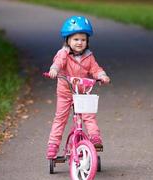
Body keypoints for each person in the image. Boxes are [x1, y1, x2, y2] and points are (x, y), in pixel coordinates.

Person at [46, 16, 110, 159]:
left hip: (82, 92)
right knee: (60, 118)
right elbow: (58, 62)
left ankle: (95, 138)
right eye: (76, 39)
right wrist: (54, 70)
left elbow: (95, 69)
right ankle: (53, 145)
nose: (79, 42)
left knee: (89, 116)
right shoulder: (64, 54)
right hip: (65, 92)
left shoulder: (89, 56)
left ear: (87, 41)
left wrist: (102, 76)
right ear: (68, 40)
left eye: (83, 39)